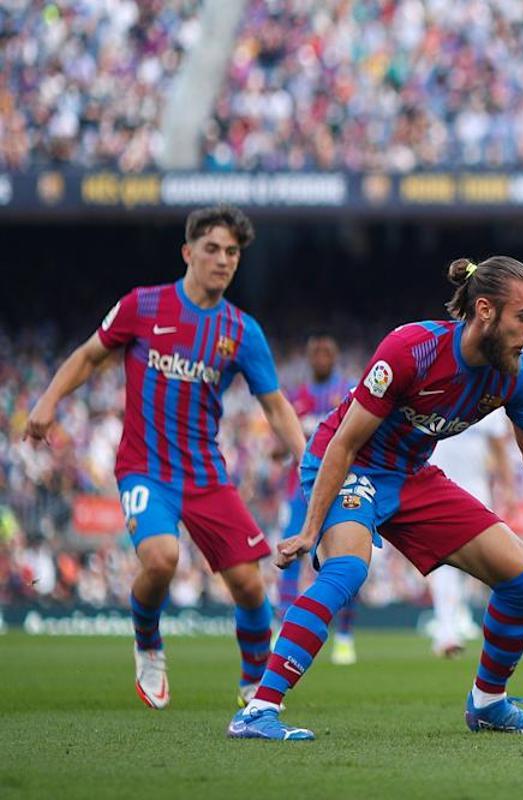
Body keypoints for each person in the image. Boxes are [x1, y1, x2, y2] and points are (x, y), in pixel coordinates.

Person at [228, 255, 523, 741]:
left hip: (411, 475)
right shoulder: (411, 349)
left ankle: (489, 704)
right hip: (352, 465)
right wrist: (309, 528)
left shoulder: (518, 372)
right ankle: (258, 710)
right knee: (347, 569)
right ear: (486, 311)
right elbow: (344, 443)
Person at [24, 204, 306, 709]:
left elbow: (276, 405)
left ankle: (253, 683)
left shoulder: (243, 332)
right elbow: (90, 355)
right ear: (188, 252)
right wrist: (48, 400)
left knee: (248, 586)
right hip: (144, 469)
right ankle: (149, 643)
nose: (223, 260)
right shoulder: (143, 306)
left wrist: (311, 466)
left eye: (233, 253)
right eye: (213, 249)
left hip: (206, 476)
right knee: (162, 558)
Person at [276, 334, 359, 664]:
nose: (321, 357)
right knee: (288, 556)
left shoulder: (350, 391)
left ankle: (345, 635)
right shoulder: (296, 397)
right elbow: (280, 442)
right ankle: (282, 628)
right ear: (310, 358)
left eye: (327, 352)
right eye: (316, 353)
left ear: (335, 356)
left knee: (347, 559)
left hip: (342, 489)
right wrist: (280, 446)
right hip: (300, 491)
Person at [426, 405, 514, 657]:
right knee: (445, 561)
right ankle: (445, 629)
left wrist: (508, 488)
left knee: (470, 561)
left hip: (476, 491)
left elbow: (500, 449)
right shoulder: (439, 391)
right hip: (438, 487)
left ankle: (457, 616)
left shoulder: (490, 404)